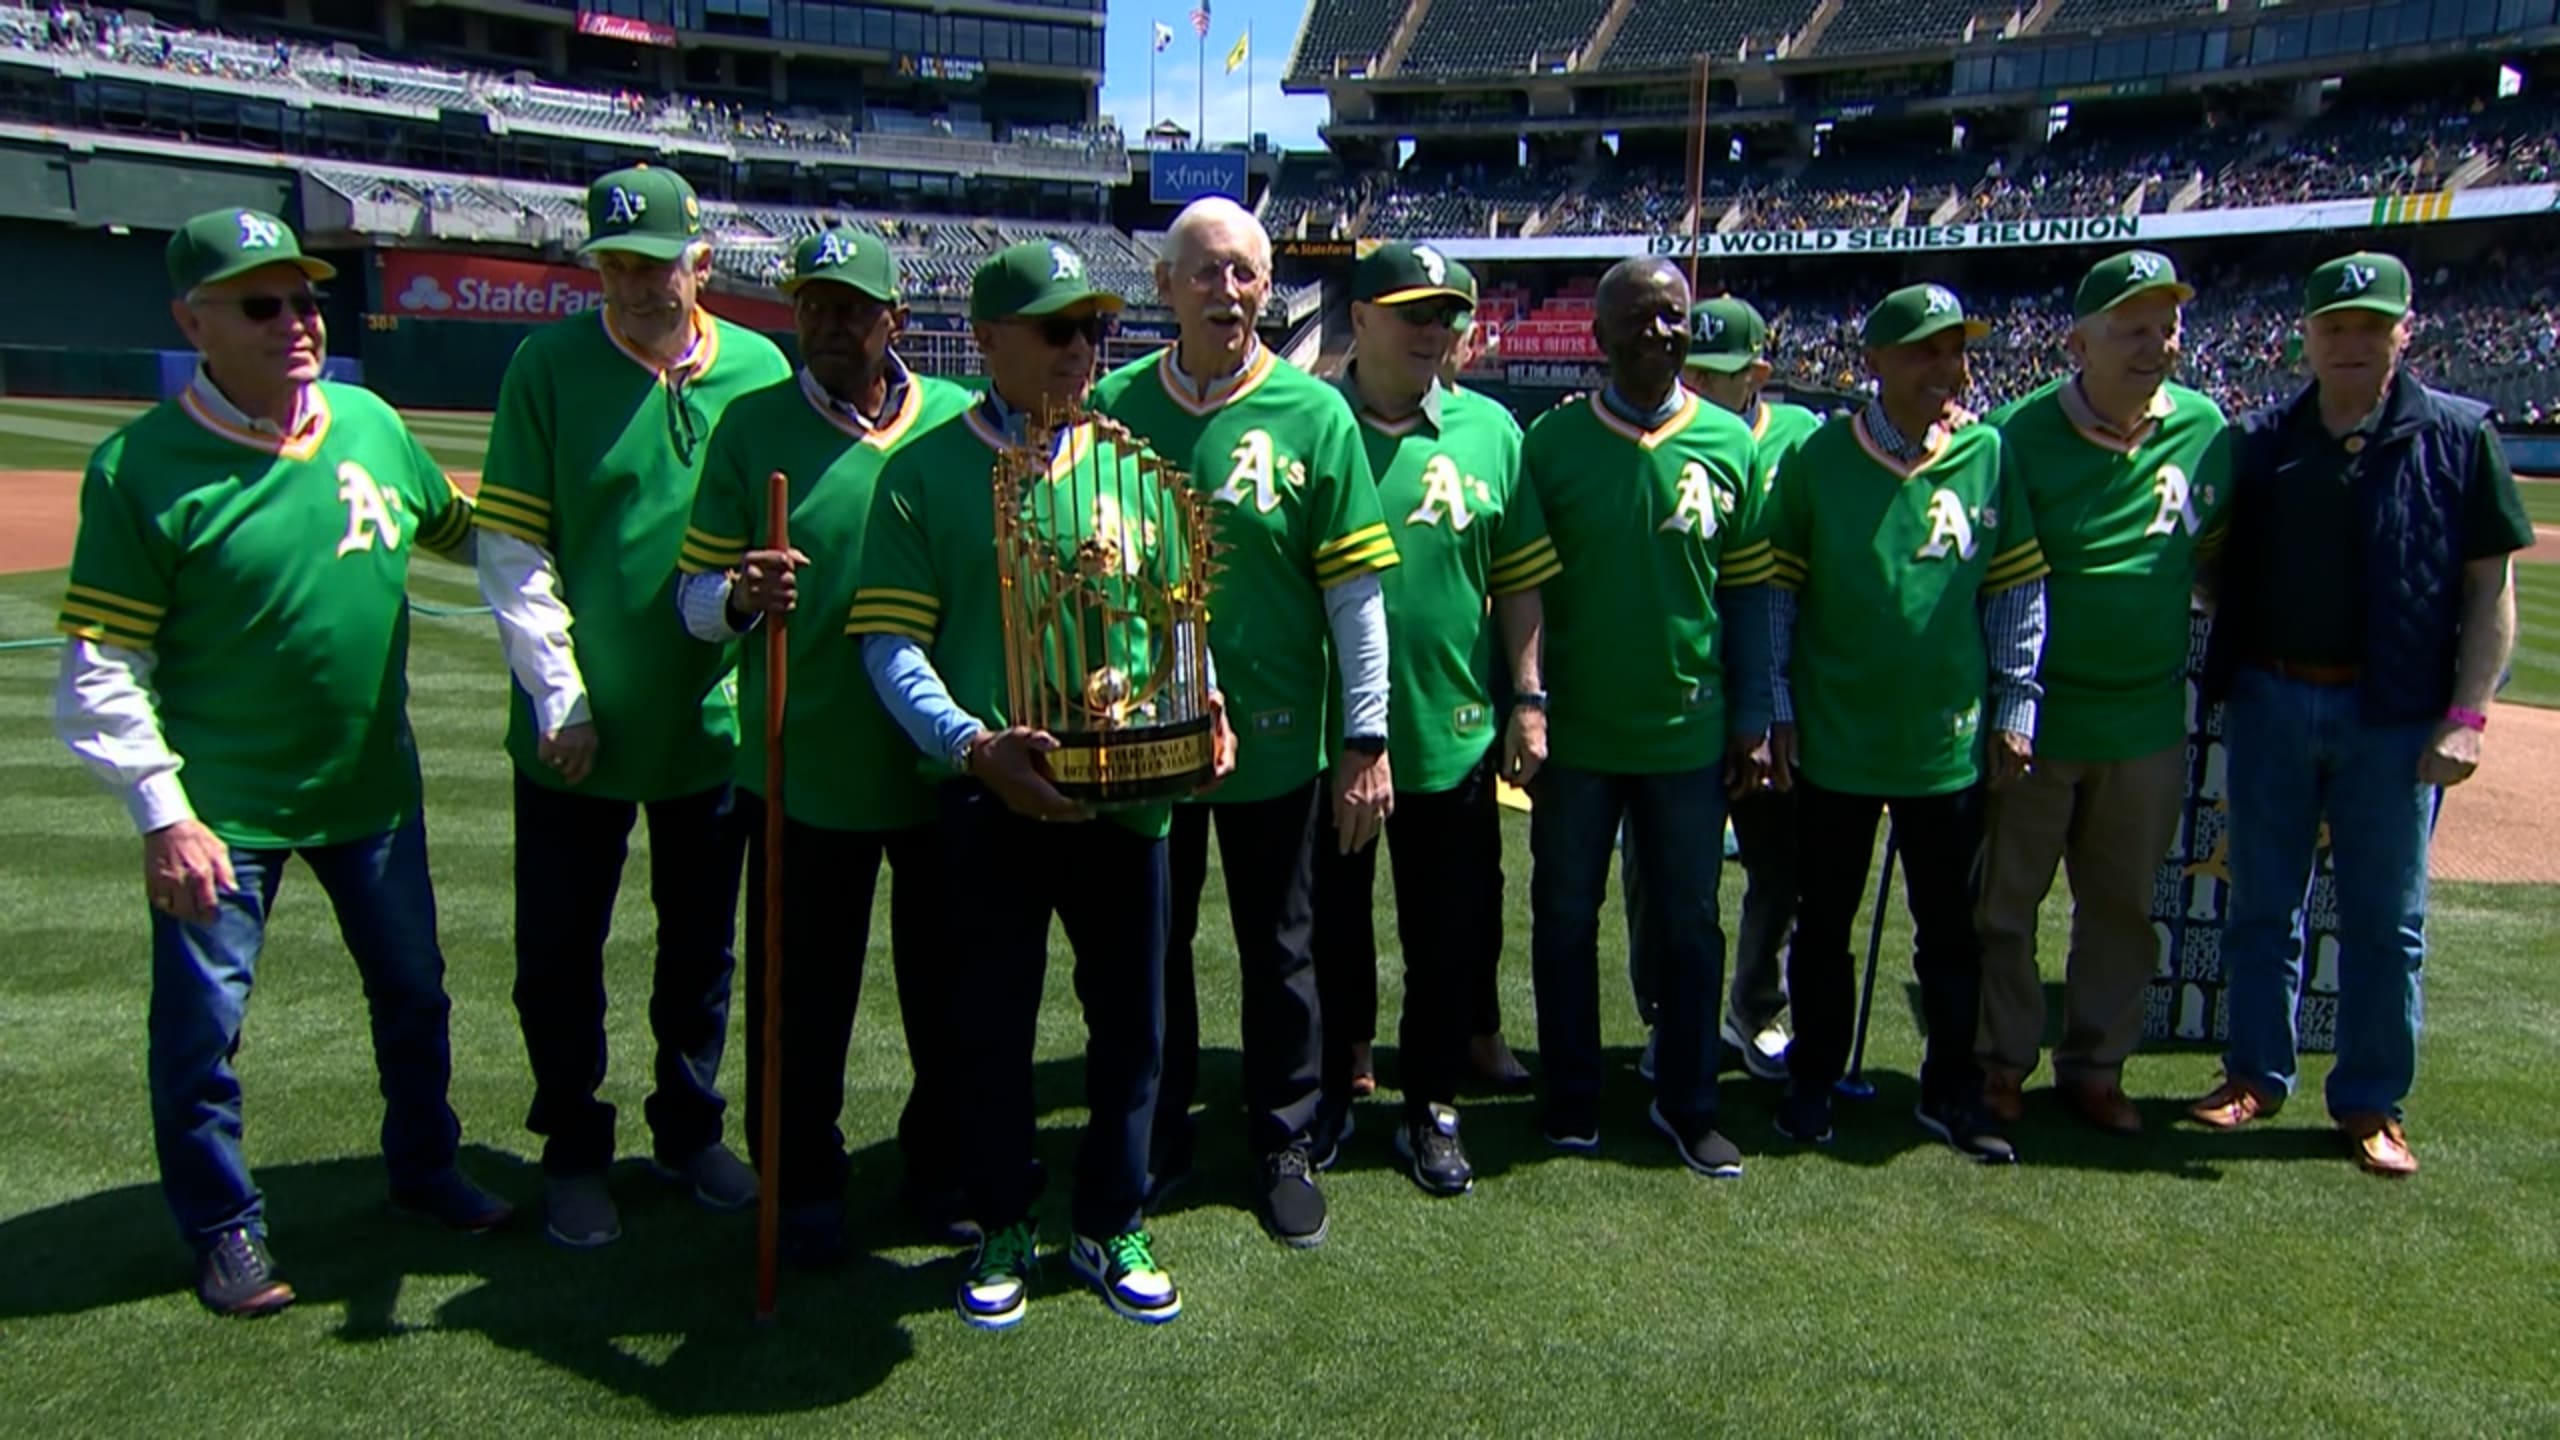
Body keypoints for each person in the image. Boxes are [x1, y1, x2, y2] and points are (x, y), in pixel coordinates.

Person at [54, 208, 508, 1317]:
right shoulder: (138, 469)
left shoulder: (368, 421)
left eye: (307, 298)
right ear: (191, 320)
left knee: (414, 998)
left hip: (371, 794)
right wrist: (165, 815)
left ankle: (422, 1169)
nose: (298, 321)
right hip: (225, 813)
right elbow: (100, 665)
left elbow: (475, 533)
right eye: (262, 304)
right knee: (202, 1032)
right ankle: (222, 1229)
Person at [850, 238, 1231, 1327]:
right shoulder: (923, 473)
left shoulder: (1136, 470)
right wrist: (975, 747)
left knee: (1133, 1026)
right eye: (1057, 330)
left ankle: (1112, 1218)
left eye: (1093, 331)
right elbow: (890, 649)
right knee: (989, 1026)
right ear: (987, 340)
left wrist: (1209, 708)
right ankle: (1001, 1218)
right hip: (990, 799)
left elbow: (1179, 626)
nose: (1080, 351)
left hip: (1129, 798)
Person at [474, 165, 791, 1248]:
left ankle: (689, 1130)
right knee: (560, 953)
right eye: (611, 262)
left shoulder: (756, 368)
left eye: (653, 264)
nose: (632, 284)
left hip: (709, 728)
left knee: (701, 952)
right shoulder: (548, 366)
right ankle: (573, 1149)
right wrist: (559, 695)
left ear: (699, 262)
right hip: (576, 736)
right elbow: (513, 550)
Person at [1091, 196, 1397, 1248]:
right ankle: (1159, 1129)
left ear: (1269, 289)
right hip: (1148, 745)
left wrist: (1365, 738)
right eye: (1207, 271)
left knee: (1281, 950)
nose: (1228, 291)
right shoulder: (1116, 410)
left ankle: (1284, 1139)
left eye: (1247, 274)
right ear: (1165, 285)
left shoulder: (1315, 417)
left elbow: (1355, 595)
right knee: (1149, 948)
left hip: (1277, 742)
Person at [2188, 252, 2529, 1176]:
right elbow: (2210, 562)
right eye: (2334, 327)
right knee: (2262, 903)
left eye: (2370, 327)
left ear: (2403, 332)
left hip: (2393, 714)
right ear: (2305, 334)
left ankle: (2372, 1099)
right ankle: (2254, 1072)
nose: (2351, 343)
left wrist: (2468, 715)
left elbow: (2490, 590)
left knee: (2387, 921)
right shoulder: (2260, 439)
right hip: (2272, 693)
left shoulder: (2459, 436)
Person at [675, 228, 976, 1266]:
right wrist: (739, 597)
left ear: (895, 319)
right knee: (802, 1004)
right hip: (803, 770)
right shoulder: (752, 426)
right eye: (813, 306)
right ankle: (801, 1179)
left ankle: (939, 1168)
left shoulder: (955, 423)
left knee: (948, 998)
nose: (829, 326)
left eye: (851, 308)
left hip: (940, 771)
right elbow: (689, 601)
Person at [1766, 282, 2044, 1164]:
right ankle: (1812, 1079)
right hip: (1837, 737)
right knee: (1824, 925)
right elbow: (1779, 593)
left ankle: (1950, 1090)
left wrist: (2016, 706)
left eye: (1956, 350)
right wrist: (1775, 707)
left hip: (1947, 743)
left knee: (1950, 931)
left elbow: (2015, 590)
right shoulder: (1818, 459)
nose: (1946, 368)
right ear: (1874, 363)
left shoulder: (1988, 453)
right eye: (1925, 350)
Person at [1307, 242, 1557, 1194]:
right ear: (1359, 318)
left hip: (1452, 733)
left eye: (1447, 312)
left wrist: (1527, 698)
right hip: (1335, 739)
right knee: (1332, 931)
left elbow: (1521, 579)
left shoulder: (1492, 429)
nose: (1433, 329)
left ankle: (1431, 1105)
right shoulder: (1307, 424)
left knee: (1446, 934)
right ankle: (1335, 1087)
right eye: (1411, 310)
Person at [1523, 258, 1771, 1178]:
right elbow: (1523, 592)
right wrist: (1530, 704)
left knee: (1691, 923)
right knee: (1564, 916)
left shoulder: (1730, 445)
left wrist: (1752, 714)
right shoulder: (1549, 446)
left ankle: (1689, 1100)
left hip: (1687, 736)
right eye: (1637, 319)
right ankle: (1573, 1095)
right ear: (1600, 334)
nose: (1658, 335)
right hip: (1580, 738)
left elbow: (1747, 598)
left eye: (1672, 318)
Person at [1975, 252, 2229, 1136]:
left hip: (2146, 719)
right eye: (2131, 328)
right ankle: (2001, 1063)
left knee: (2121, 909)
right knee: (2005, 904)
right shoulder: (2013, 434)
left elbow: (2222, 559)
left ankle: (2096, 1067)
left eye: (2166, 327)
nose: (2154, 345)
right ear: (2079, 341)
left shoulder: (2206, 429)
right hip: (2035, 721)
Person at [1624, 296, 1823, 1087]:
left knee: (1780, 867)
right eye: (1689, 371)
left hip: (1770, 693)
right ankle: (1666, 1016)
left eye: (1717, 375)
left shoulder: (1805, 442)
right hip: (1674, 695)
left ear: (1758, 376)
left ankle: (1753, 1009)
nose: (1696, 387)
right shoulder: (1651, 435)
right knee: (1661, 876)